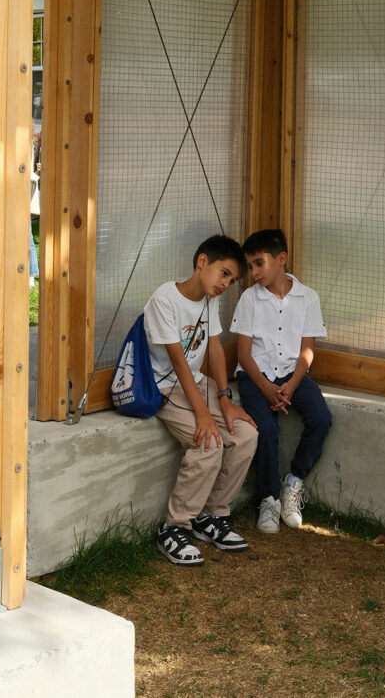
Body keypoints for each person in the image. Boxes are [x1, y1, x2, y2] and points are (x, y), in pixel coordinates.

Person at [146, 234, 258, 566]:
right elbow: (179, 362)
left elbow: (214, 348)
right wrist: (203, 414)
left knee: (246, 435)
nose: (226, 283)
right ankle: (173, 527)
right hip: (165, 387)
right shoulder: (164, 299)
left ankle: (210, 516)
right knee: (208, 443)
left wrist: (225, 400)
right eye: (224, 273)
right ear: (202, 262)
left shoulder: (209, 300)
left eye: (232, 279)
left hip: (197, 383)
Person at [231, 228, 331, 534]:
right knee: (266, 428)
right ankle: (269, 498)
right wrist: (266, 388)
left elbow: (307, 351)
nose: (254, 272)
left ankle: (293, 483)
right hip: (255, 375)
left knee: (321, 417)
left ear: (281, 259)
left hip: (293, 374)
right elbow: (244, 354)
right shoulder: (250, 299)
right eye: (250, 266)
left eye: (259, 263)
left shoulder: (307, 297)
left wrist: (290, 384)